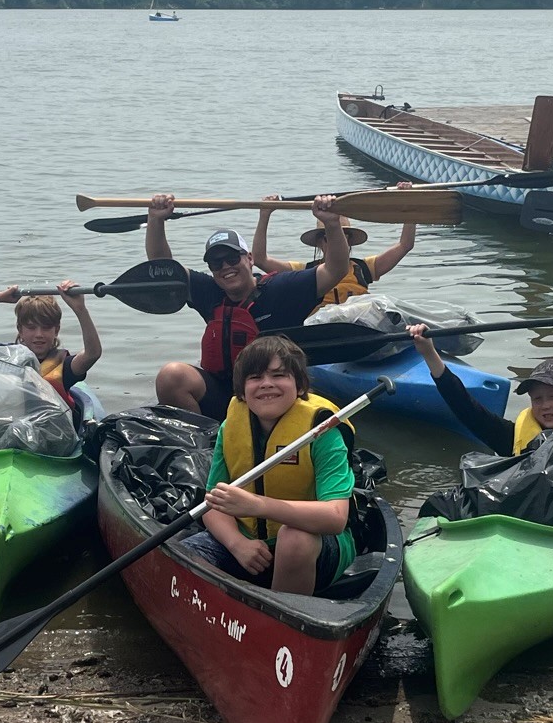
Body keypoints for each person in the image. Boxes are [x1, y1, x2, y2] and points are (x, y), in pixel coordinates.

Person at [148, 192, 351, 419]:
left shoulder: (282, 288)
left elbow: (336, 268)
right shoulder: (210, 291)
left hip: (271, 391)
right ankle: (204, 443)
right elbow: (162, 269)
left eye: (233, 258)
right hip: (225, 391)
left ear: (250, 258)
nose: (226, 267)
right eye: (216, 263)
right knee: (171, 376)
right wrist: (156, 220)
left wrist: (331, 223)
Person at [184, 335, 356, 596]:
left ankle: (284, 619)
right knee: (186, 555)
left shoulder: (323, 432)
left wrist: (256, 505)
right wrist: (237, 543)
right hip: (250, 546)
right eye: (254, 377)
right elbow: (213, 504)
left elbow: (335, 517)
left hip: (318, 548)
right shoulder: (230, 428)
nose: (266, 384)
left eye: (279, 375)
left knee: (294, 538)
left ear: (299, 386)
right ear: (242, 391)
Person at [409, 311, 553, 467]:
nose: (545, 406)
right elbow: (466, 407)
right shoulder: (514, 438)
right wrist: (429, 353)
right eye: (537, 399)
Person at [251, 182, 419, 309]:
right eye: (327, 236)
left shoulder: (364, 268)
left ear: (350, 240)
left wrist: (408, 202)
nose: (334, 241)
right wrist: (264, 215)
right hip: (322, 331)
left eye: (341, 235)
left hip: (359, 328)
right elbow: (260, 259)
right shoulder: (303, 272)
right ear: (318, 242)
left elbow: (405, 244)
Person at [0, 279, 101, 409]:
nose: (39, 334)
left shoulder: (64, 366)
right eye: (31, 327)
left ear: (56, 330)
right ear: (20, 329)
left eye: (46, 328)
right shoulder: (0, 356)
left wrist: (80, 309)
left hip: (51, 440)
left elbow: (92, 354)